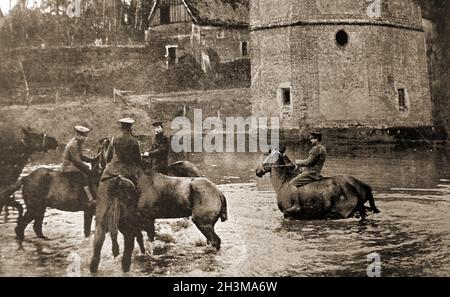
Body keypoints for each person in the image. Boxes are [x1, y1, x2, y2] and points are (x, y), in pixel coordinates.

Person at [286, 132, 327, 213]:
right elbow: (314, 162)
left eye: (312, 139)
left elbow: (309, 162)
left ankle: (296, 205)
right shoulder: (322, 148)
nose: (311, 140)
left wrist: (298, 162)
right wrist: (302, 164)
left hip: (311, 173)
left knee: (292, 184)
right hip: (317, 171)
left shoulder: (315, 149)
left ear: (316, 139)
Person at [61, 125, 97, 208]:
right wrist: (87, 167)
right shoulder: (73, 145)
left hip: (74, 165)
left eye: (85, 136)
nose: (85, 138)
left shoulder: (78, 143)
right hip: (69, 167)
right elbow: (77, 161)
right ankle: (90, 199)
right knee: (84, 176)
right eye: (84, 136)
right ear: (78, 135)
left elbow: (81, 156)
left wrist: (92, 160)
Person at [101, 118, 142, 186]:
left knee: (102, 181)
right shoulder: (135, 141)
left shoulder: (114, 139)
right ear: (130, 127)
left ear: (121, 127)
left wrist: (108, 165)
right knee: (138, 188)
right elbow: (138, 159)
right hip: (128, 172)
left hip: (113, 170)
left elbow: (107, 157)